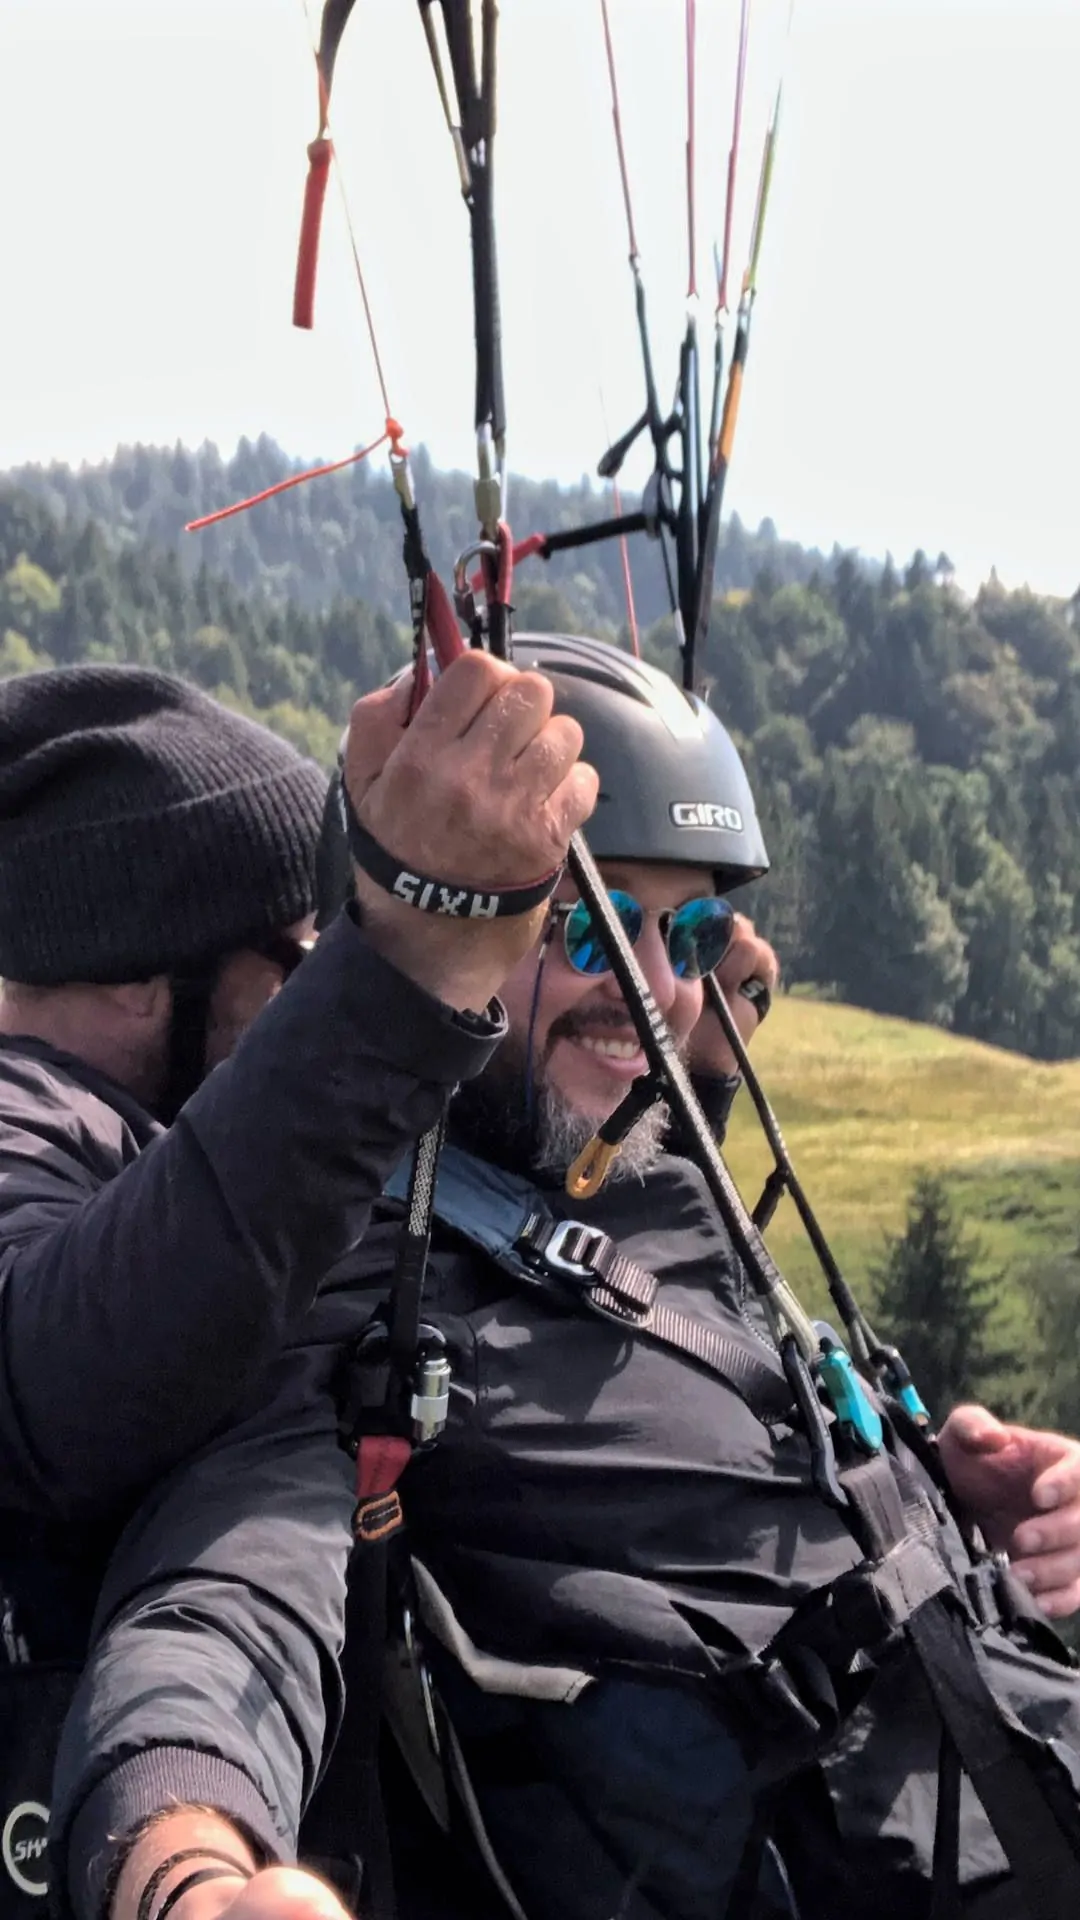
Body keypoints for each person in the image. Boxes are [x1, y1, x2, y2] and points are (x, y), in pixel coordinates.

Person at [46, 639, 1080, 1920]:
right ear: (459, 933)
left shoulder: (666, 1186)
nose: (652, 987)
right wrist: (185, 1867)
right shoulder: (374, 1275)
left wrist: (953, 1500)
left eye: (691, 928)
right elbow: (230, 1597)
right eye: (590, 923)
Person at [0, 652, 596, 1914]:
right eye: (299, 964)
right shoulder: (31, 1132)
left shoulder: (182, 1207)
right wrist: (397, 977)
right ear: (132, 973)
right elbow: (59, 1378)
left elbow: (254, 1502)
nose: (309, 995)